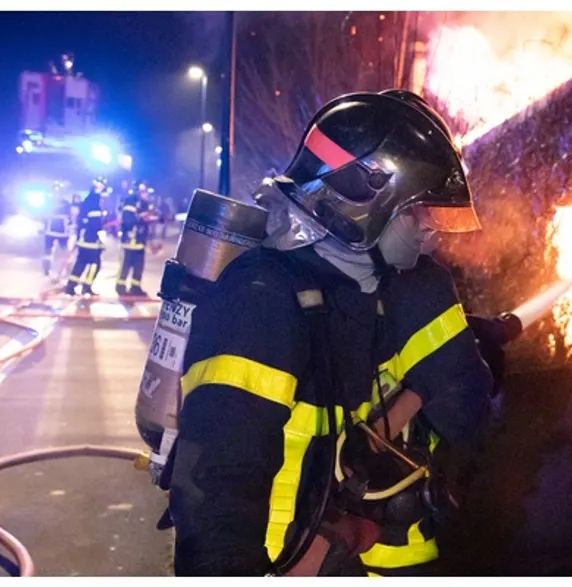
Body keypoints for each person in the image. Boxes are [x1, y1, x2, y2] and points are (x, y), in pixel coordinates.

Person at [167, 90, 499, 577]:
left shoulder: (369, 288)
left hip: (351, 551)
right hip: (280, 561)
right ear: (362, 200)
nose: (430, 232)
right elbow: (218, 476)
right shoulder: (261, 298)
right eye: (416, 212)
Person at [64, 177, 108, 296]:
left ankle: (70, 287)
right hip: (90, 238)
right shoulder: (94, 200)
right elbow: (94, 221)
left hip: (86, 237)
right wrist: (102, 226)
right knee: (95, 264)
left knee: (81, 263)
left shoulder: (91, 199)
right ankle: (86, 287)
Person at [116, 183, 159, 297]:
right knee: (126, 265)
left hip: (140, 241)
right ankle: (120, 287)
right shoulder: (130, 203)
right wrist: (142, 219)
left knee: (139, 266)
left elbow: (149, 218)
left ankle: (135, 287)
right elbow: (128, 221)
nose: (147, 195)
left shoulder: (145, 204)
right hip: (129, 241)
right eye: (144, 192)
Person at [42, 184, 76, 281]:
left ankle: (68, 269)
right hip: (51, 231)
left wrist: (70, 227)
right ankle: (47, 269)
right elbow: (43, 215)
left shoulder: (64, 203)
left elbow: (70, 217)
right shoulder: (49, 202)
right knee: (48, 252)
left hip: (61, 232)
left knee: (64, 252)